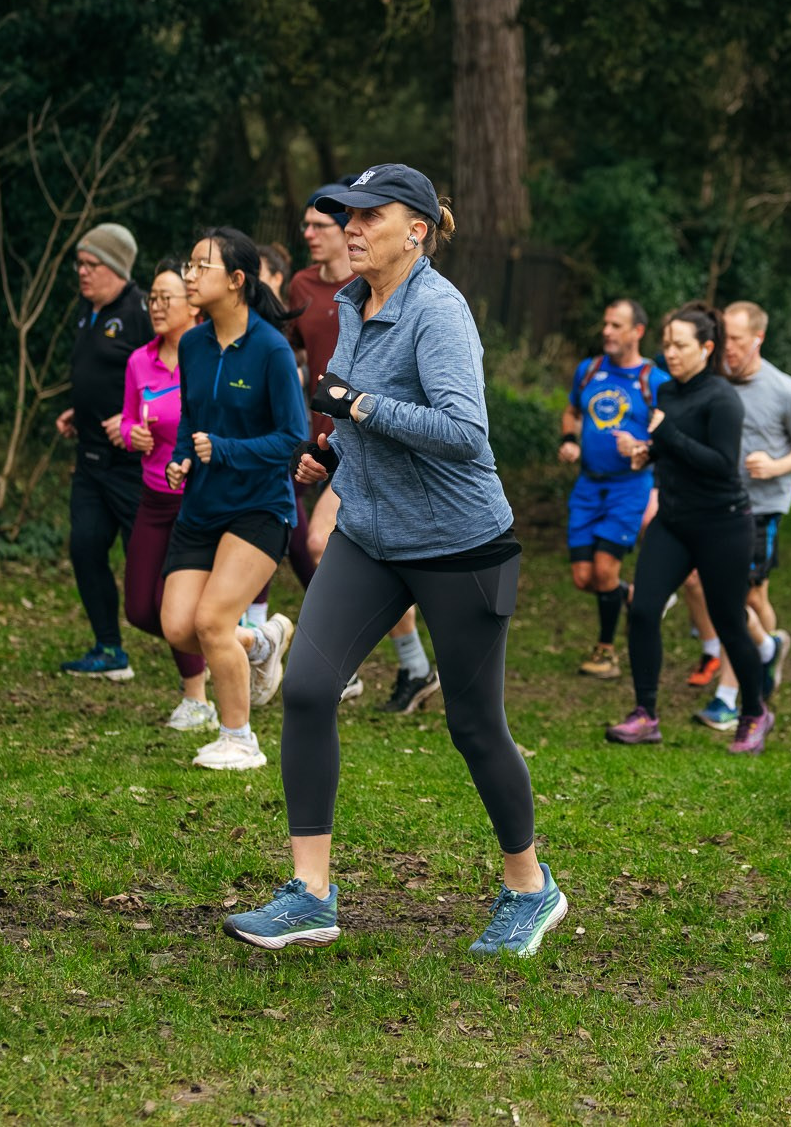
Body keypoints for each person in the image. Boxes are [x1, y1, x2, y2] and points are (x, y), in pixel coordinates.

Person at [223, 164, 566, 957]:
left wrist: (358, 407)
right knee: (307, 687)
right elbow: (364, 422)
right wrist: (335, 453)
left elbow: (463, 433)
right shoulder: (352, 303)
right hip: (372, 538)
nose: (349, 224)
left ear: (416, 229)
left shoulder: (438, 311)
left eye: (369, 214)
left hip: (459, 547)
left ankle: (529, 886)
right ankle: (310, 893)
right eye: (345, 212)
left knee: (475, 724)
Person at [158, 227, 303, 772]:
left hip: (260, 506)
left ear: (237, 281)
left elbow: (292, 439)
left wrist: (224, 449)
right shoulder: (193, 343)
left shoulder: (270, 349)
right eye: (189, 265)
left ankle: (240, 738)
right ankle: (262, 645)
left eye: (201, 267)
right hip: (202, 503)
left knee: (213, 621)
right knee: (179, 625)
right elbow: (191, 419)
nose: (189, 275)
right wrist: (181, 457)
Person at [286, 188, 437, 709]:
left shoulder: (391, 287)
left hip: (388, 441)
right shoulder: (305, 288)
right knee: (328, 545)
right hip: (338, 436)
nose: (324, 231)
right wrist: (320, 438)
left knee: (322, 543)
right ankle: (404, 666)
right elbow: (299, 357)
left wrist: (356, 403)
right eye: (332, 221)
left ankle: (362, 662)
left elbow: (463, 429)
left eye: (324, 224)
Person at [604, 305, 777, 752]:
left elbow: (722, 466)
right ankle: (646, 714)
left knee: (729, 621)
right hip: (674, 522)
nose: (671, 353)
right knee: (643, 610)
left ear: (706, 347)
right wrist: (647, 452)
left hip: (722, 525)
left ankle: (755, 712)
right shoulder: (666, 392)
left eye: (680, 345)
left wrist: (666, 438)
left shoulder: (722, 399)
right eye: (667, 345)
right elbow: (674, 450)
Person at [693, 300, 791, 731]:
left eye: (738, 340)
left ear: (758, 339)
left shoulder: (784, 389)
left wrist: (776, 466)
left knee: (736, 598)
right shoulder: (713, 381)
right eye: (726, 337)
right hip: (715, 503)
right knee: (748, 599)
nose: (728, 347)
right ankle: (768, 649)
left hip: (762, 509)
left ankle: (729, 696)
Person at [56, 224, 153, 680]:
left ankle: (209, 640)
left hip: (132, 464)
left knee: (153, 561)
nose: (82, 272)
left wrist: (135, 417)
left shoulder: (140, 312)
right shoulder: (87, 311)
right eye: (79, 264)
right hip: (91, 460)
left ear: (116, 267)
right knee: (85, 545)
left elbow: (165, 375)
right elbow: (98, 372)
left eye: (91, 264)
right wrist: (81, 409)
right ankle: (109, 649)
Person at [120, 256, 213, 732]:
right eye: (151, 299)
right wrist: (132, 431)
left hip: (196, 499)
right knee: (139, 608)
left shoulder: (208, 356)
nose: (155, 307)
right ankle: (227, 647)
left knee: (170, 603)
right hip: (153, 498)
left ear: (192, 305)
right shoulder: (140, 360)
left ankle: (196, 698)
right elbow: (130, 418)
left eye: (165, 298)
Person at [559, 299, 667, 681]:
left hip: (629, 488)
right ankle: (627, 596)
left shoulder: (654, 381)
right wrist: (569, 439)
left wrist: (641, 449)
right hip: (588, 486)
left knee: (604, 570)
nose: (607, 331)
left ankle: (606, 651)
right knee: (583, 577)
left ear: (637, 332)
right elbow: (572, 411)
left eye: (616, 325)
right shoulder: (589, 371)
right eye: (606, 324)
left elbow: (668, 433)